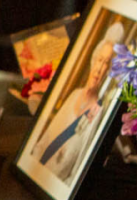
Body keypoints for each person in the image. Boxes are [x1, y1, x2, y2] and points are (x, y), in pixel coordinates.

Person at [31, 22, 125, 181]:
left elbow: (76, 174)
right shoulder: (75, 95)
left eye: (107, 63)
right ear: (93, 61)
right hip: (37, 174)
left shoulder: (98, 114)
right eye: (99, 60)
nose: (100, 68)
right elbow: (44, 140)